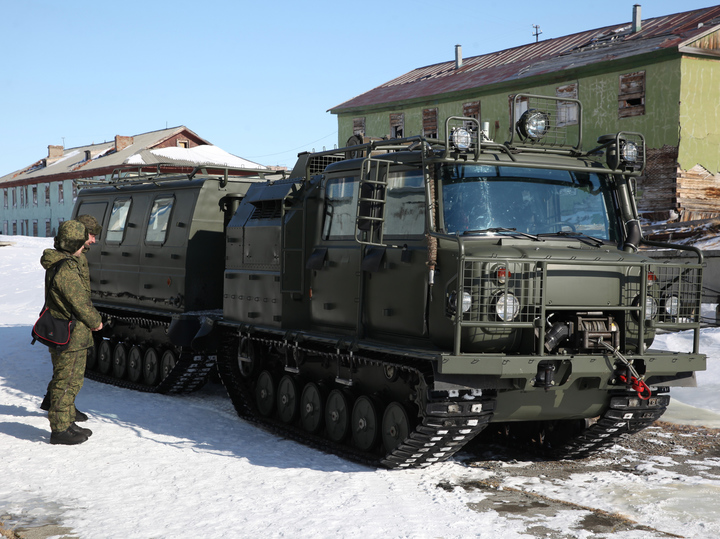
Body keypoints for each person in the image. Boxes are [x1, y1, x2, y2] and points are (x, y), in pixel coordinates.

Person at [41, 220, 103, 445]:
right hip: (71, 331)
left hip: (68, 329)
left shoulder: (64, 262)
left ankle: (66, 421)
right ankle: (59, 429)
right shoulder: (66, 268)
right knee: (66, 381)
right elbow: (79, 302)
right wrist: (96, 322)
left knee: (70, 380)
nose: (88, 242)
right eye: (84, 239)